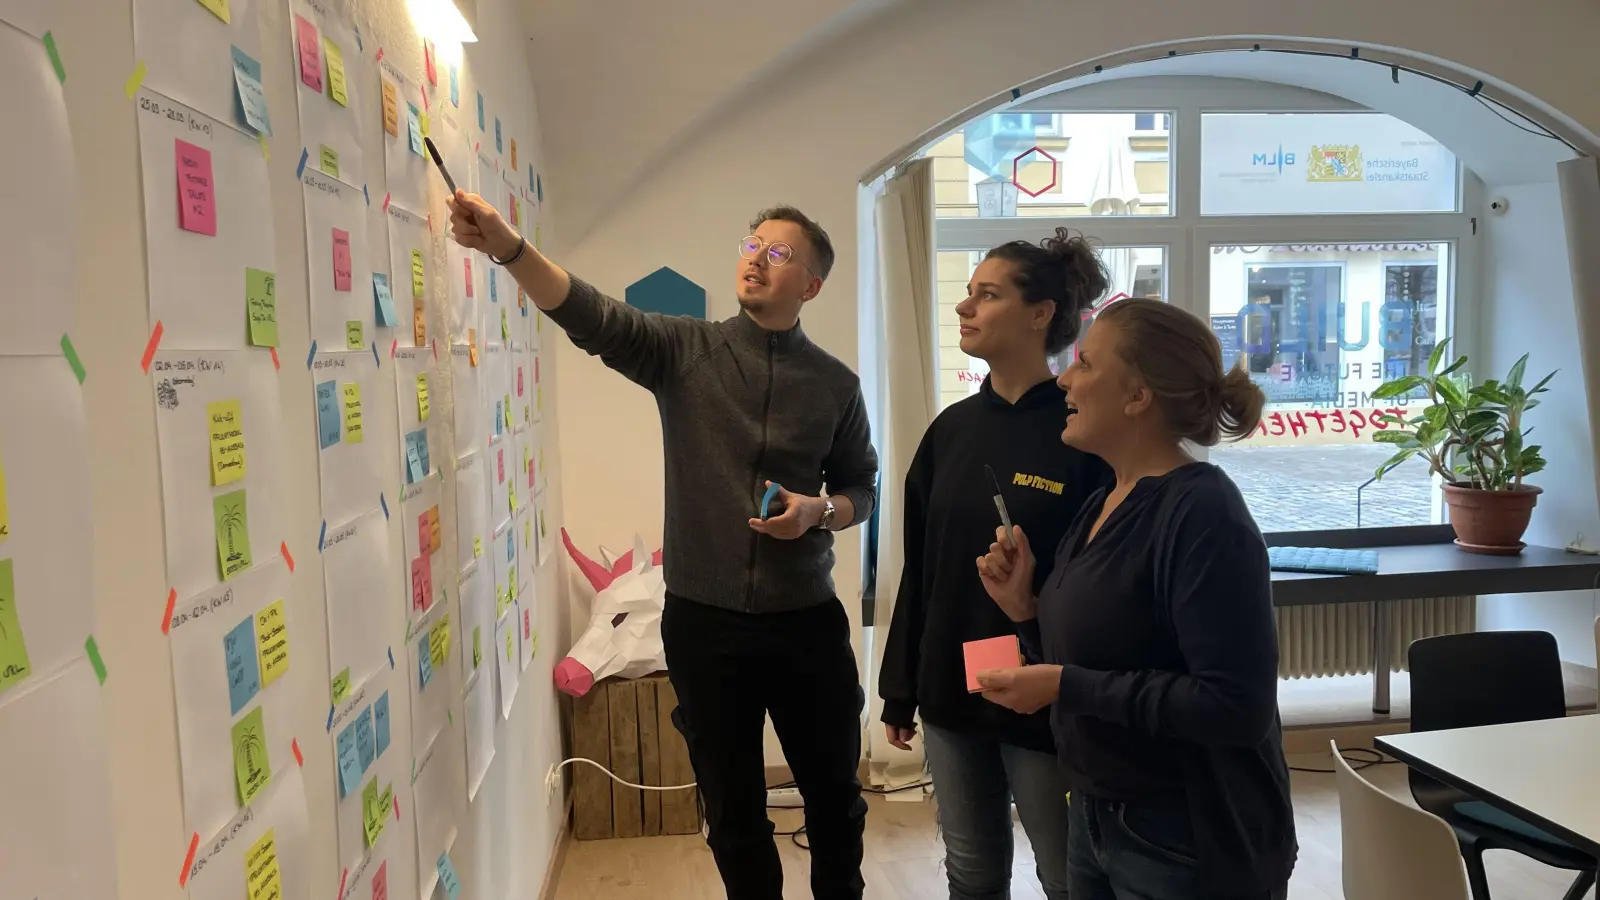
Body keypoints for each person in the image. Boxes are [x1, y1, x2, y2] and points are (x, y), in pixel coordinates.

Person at [446, 191, 878, 900]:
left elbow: (863, 485)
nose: (756, 260)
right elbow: (591, 314)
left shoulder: (836, 385)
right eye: (751, 245)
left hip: (806, 626)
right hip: (705, 626)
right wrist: (507, 246)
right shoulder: (687, 352)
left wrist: (819, 512)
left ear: (811, 284)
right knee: (734, 816)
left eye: (779, 254)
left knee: (837, 804)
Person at [973, 298, 1296, 900]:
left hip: (1186, 834)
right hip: (1097, 812)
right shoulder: (1102, 503)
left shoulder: (1203, 513)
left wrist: (1064, 685)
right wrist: (1026, 610)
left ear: (1137, 396)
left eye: (1086, 364)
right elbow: (1100, 656)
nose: (1065, 379)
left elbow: (1234, 706)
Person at [878, 229, 1113, 900]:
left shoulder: (1080, 436)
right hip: (954, 693)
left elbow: (1101, 583)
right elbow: (920, 572)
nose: (965, 308)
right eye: (966, 294)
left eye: (987, 294)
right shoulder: (949, 432)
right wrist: (901, 687)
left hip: (1045, 693)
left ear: (1040, 314)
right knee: (972, 870)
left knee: (1066, 873)